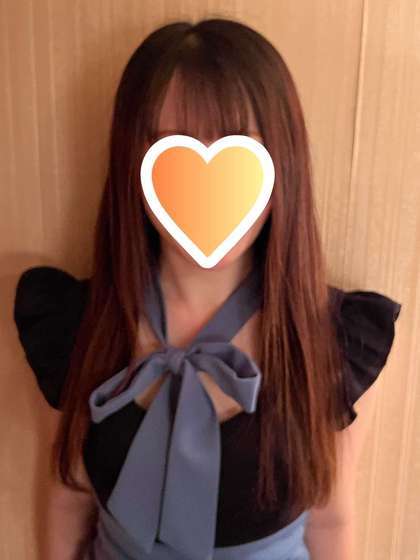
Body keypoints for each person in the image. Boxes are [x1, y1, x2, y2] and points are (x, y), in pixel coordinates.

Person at [13, 18, 402, 560]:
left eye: (237, 149)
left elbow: (331, 521)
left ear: (281, 164)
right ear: (132, 165)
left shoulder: (337, 341)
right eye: (171, 150)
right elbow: (67, 500)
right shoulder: (74, 324)